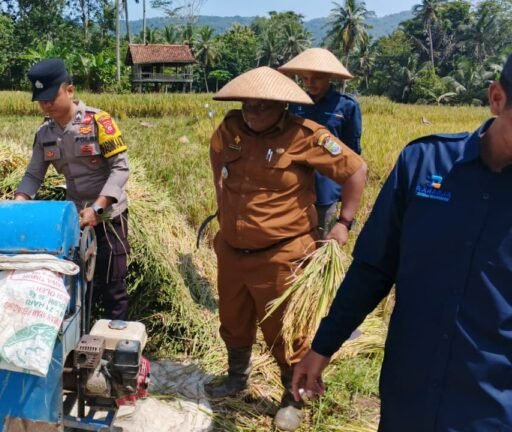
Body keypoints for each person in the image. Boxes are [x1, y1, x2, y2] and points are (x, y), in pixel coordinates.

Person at [292, 53, 512, 431]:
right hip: (407, 395)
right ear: (496, 98)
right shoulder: (426, 163)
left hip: (491, 408)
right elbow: (373, 268)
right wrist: (322, 346)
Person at [204, 66, 367, 431]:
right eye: (248, 105)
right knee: (233, 319)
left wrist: (343, 224)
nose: (253, 112)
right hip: (232, 250)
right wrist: (224, 206)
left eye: (262, 106)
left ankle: (293, 396)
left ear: (281, 106)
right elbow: (216, 158)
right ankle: (236, 376)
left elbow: (355, 171)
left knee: (286, 333)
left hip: (282, 254)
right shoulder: (229, 129)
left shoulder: (305, 135)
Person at [15, 58, 130, 320]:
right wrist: (19, 203)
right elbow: (34, 175)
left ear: (69, 90)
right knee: (75, 283)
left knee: (113, 284)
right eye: (40, 99)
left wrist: (97, 208)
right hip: (75, 219)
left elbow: (121, 168)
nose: (45, 104)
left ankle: (116, 344)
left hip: (109, 216)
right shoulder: (45, 133)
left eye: (51, 97)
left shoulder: (99, 122)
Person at [279, 48, 363, 238]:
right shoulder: (294, 103)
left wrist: (344, 190)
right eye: (305, 79)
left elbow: (352, 152)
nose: (310, 83)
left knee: (323, 241)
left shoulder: (346, 106)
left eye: (316, 78)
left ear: (329, 77)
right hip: (294, 183)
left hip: (326, 186)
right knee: (293, 239)